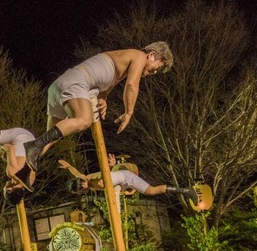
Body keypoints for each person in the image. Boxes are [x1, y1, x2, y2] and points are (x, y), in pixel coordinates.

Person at [22, 44, 174, 171]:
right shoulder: (139, 56)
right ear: (152, 54)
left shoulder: (121, 64)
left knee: (46, 143)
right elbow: (132, 85)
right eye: (157, 68)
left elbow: (107, 83)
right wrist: (129, 112)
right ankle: (33, 145)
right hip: (76, 82)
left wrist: (103, 97)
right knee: (84, 120)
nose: (154, 73)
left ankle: (18, 159)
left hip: (61, 85)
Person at [58, 158, 198, 203]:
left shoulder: (88, 179)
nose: (83, 192)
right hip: (122, 182)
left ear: (81, 184)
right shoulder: (91, 186)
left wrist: (69, 166)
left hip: (125, 175)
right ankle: (186, 191)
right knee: (151, 191)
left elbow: (78, 174)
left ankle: (187, 191)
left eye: (81, 191)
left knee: (151, 191)